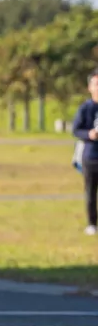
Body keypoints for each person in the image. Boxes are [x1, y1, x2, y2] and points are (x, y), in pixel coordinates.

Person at [71, 68, 98, 236]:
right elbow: (76, 130)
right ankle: (92, 224)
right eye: (96, 84)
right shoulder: (86, 108)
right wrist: (89, 134)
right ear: (90, 87)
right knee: (90, 192)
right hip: (91, 156)